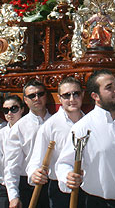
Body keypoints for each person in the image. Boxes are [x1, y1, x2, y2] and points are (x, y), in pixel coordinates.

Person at [56, 69, 115, 208]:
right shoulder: (82, 128)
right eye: (109, 87)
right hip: (97, 202)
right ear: (95, 96)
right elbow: (64, 163)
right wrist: (68, 176)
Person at [28, 77, 85, 208]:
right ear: (59, 98)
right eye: (66, 95)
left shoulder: (90, 123)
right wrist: (34, 173)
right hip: (60, 190)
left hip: (87, 188)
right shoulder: (50, 126)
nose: (72, 99)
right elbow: (36, 162)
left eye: (76, 94)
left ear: (83, 94)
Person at [4, 80, 51, 208]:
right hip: (29, 187)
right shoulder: (19, 128)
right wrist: (13, 196)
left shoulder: (56, 123)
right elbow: (11, 165)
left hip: (54, 186)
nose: (37, 98)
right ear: (25, 99)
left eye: (40, 94)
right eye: (32, 96)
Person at [0, 95, 24, 208]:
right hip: (3, 186)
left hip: (25, 185)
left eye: (14, 109)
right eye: (5, 110)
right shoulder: (0, 134)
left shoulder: (28, 131)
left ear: (22, 109)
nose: (10, 113)